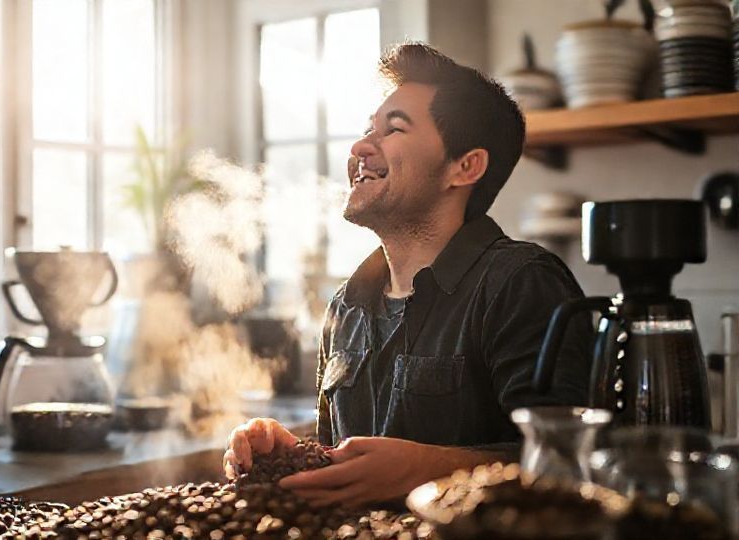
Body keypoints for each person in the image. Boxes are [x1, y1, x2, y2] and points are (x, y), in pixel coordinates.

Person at [223, 42, 593, 508]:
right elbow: (340, 461)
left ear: (464, 167)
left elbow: (573, 465)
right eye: (365, 130)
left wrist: (427, 471)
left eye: (392, 129)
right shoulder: (346, 306)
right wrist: (289, 457)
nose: (359, 147)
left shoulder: (520, 282)